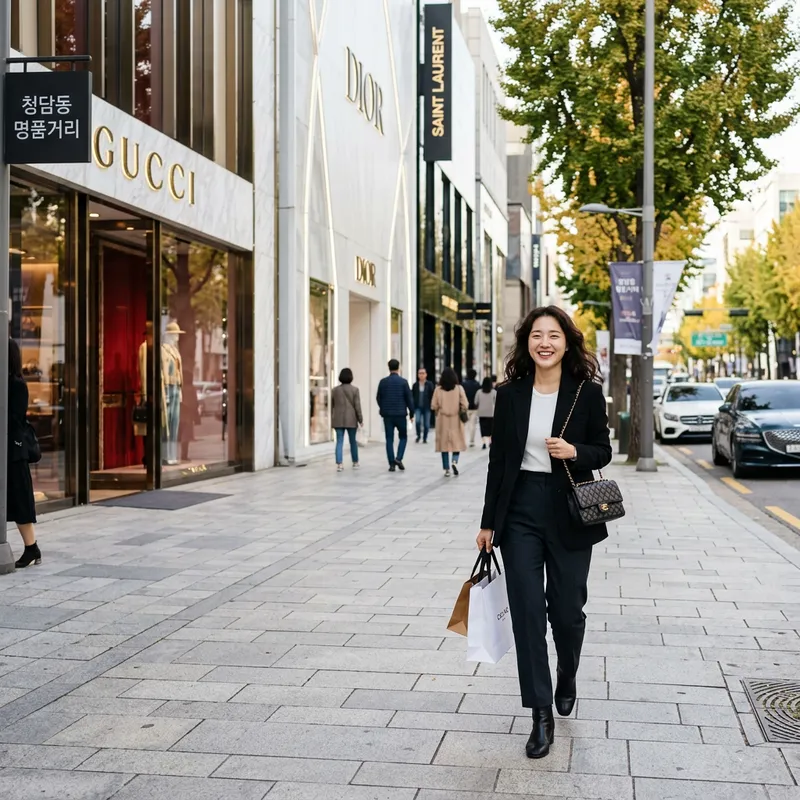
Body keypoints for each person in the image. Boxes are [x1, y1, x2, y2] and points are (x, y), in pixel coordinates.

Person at [476, 305, 612, 760]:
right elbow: (498, 463)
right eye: (537, 335)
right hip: (520, 511)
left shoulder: (587, 393)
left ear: (567, 342)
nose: (545, 343)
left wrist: (575, 451)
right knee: (528, 613)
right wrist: (488, 522)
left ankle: (567, 673)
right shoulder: (510, 394)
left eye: (554, 335)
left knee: (568, 612)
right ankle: (540, 713)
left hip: (569, 507)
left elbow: (604, 451)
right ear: (527, 342)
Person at [8, 339, 40, 569]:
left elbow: (14, 418)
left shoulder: (17, 385)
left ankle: (31, 547)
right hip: (6, 449)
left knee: (20, 500)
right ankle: (32, 548)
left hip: (14, 450)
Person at [376, 359, 414, 472]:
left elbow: (378, 397)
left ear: (389, 368)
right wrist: (412, 413)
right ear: (399, 368)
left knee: (389, 439)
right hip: (400, 414)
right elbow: (409, 399)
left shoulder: (383, 382)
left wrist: (383, 407)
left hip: (387, 415)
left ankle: (391, 463)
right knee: (403, 437)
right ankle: (399, 458)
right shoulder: (403, 382)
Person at [431, 367, 468, 477]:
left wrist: (438, 411)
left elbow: (434, 405)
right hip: (456, 419)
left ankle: (446, 468)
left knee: (444, 445)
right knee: (457, 442)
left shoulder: (438, 390)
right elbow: (465, 403)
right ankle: (455, 461)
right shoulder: (459, 388)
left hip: (443, 420)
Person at [331, 368, 362, 472]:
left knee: (339, 441)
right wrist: (360, 419)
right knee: (353, 441)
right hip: (351, 419)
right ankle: (355, 462)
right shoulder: (355, 390)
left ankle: (339, 464)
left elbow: (332, 405)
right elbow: (357, 406)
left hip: (338, 419)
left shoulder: (335, 390)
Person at [411, 367, 434, 444]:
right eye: (420, 373)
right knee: (417, 422)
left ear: (426, 374)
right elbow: (412, 396)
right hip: (418, 407)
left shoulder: (429, 384)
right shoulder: (415, 385)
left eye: (423, 373)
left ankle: (425, 438)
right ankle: (418, 436)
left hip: (427, 407)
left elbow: (432, 395)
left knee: (426, 424)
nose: (421, 375)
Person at [475, 376, 496, 449]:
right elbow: (496, 402)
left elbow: (475, 401)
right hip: (491, 413)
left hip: (482, 413)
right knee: (491, 428)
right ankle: (490, 441)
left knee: (483, 428)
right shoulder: (493, 392)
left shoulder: (479, 392)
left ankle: (484, 442)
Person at [462, 368, 481, 447]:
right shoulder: (477, 384)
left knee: (464, 424)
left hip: (465, 407)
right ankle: (471, 441)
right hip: (474, 407)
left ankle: (464, 440)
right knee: (472, 425)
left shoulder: (464, 384)